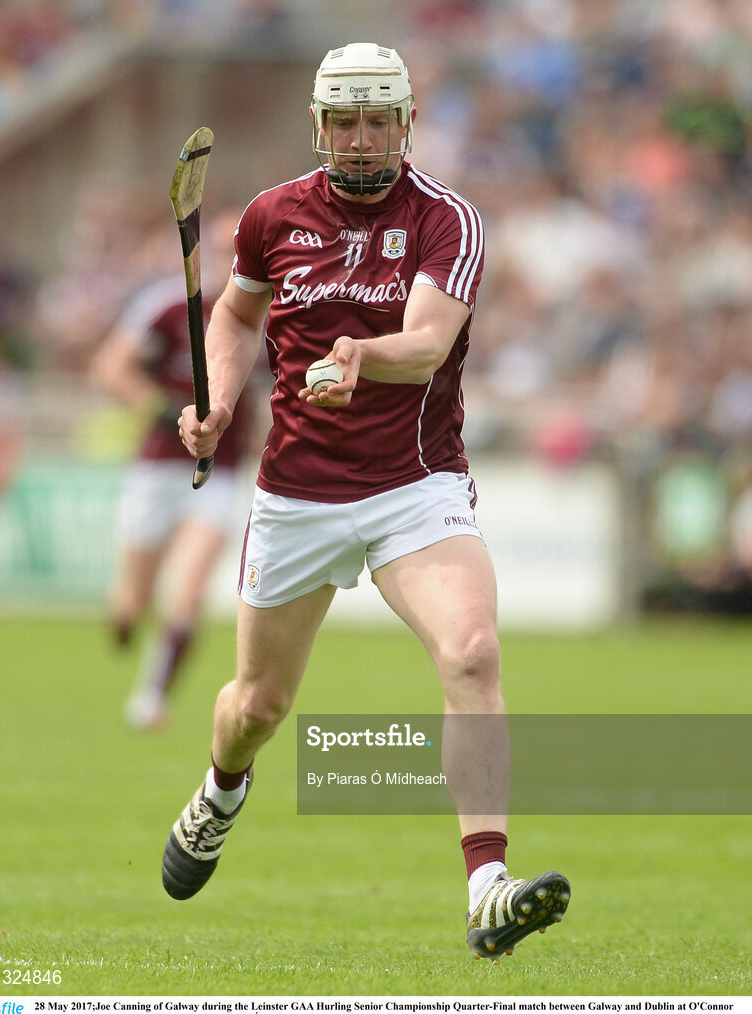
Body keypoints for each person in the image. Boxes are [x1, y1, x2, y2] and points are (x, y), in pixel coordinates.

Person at [162, 43, 570, 960]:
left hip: (413, 487)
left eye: (378, 119)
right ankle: (223, 789)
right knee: (257, 707)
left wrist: (356, 353)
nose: (360, 139)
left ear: (409, 122)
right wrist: (221, 402)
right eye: (343, 120)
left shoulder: (447, 220)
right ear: (318, 124)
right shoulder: (273, 215)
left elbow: (425, 345)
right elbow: (234, 314)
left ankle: (487, 885)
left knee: (472, 653)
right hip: (297, 492)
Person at [92, 208, 253, 730]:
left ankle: (151, 698)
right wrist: (160, 409)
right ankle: (124, 616)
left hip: (218, 468)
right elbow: (110, 368)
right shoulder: (169, 305)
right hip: (159, 466)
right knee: (133, 601)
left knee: (188, 590)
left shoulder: (269, 314)